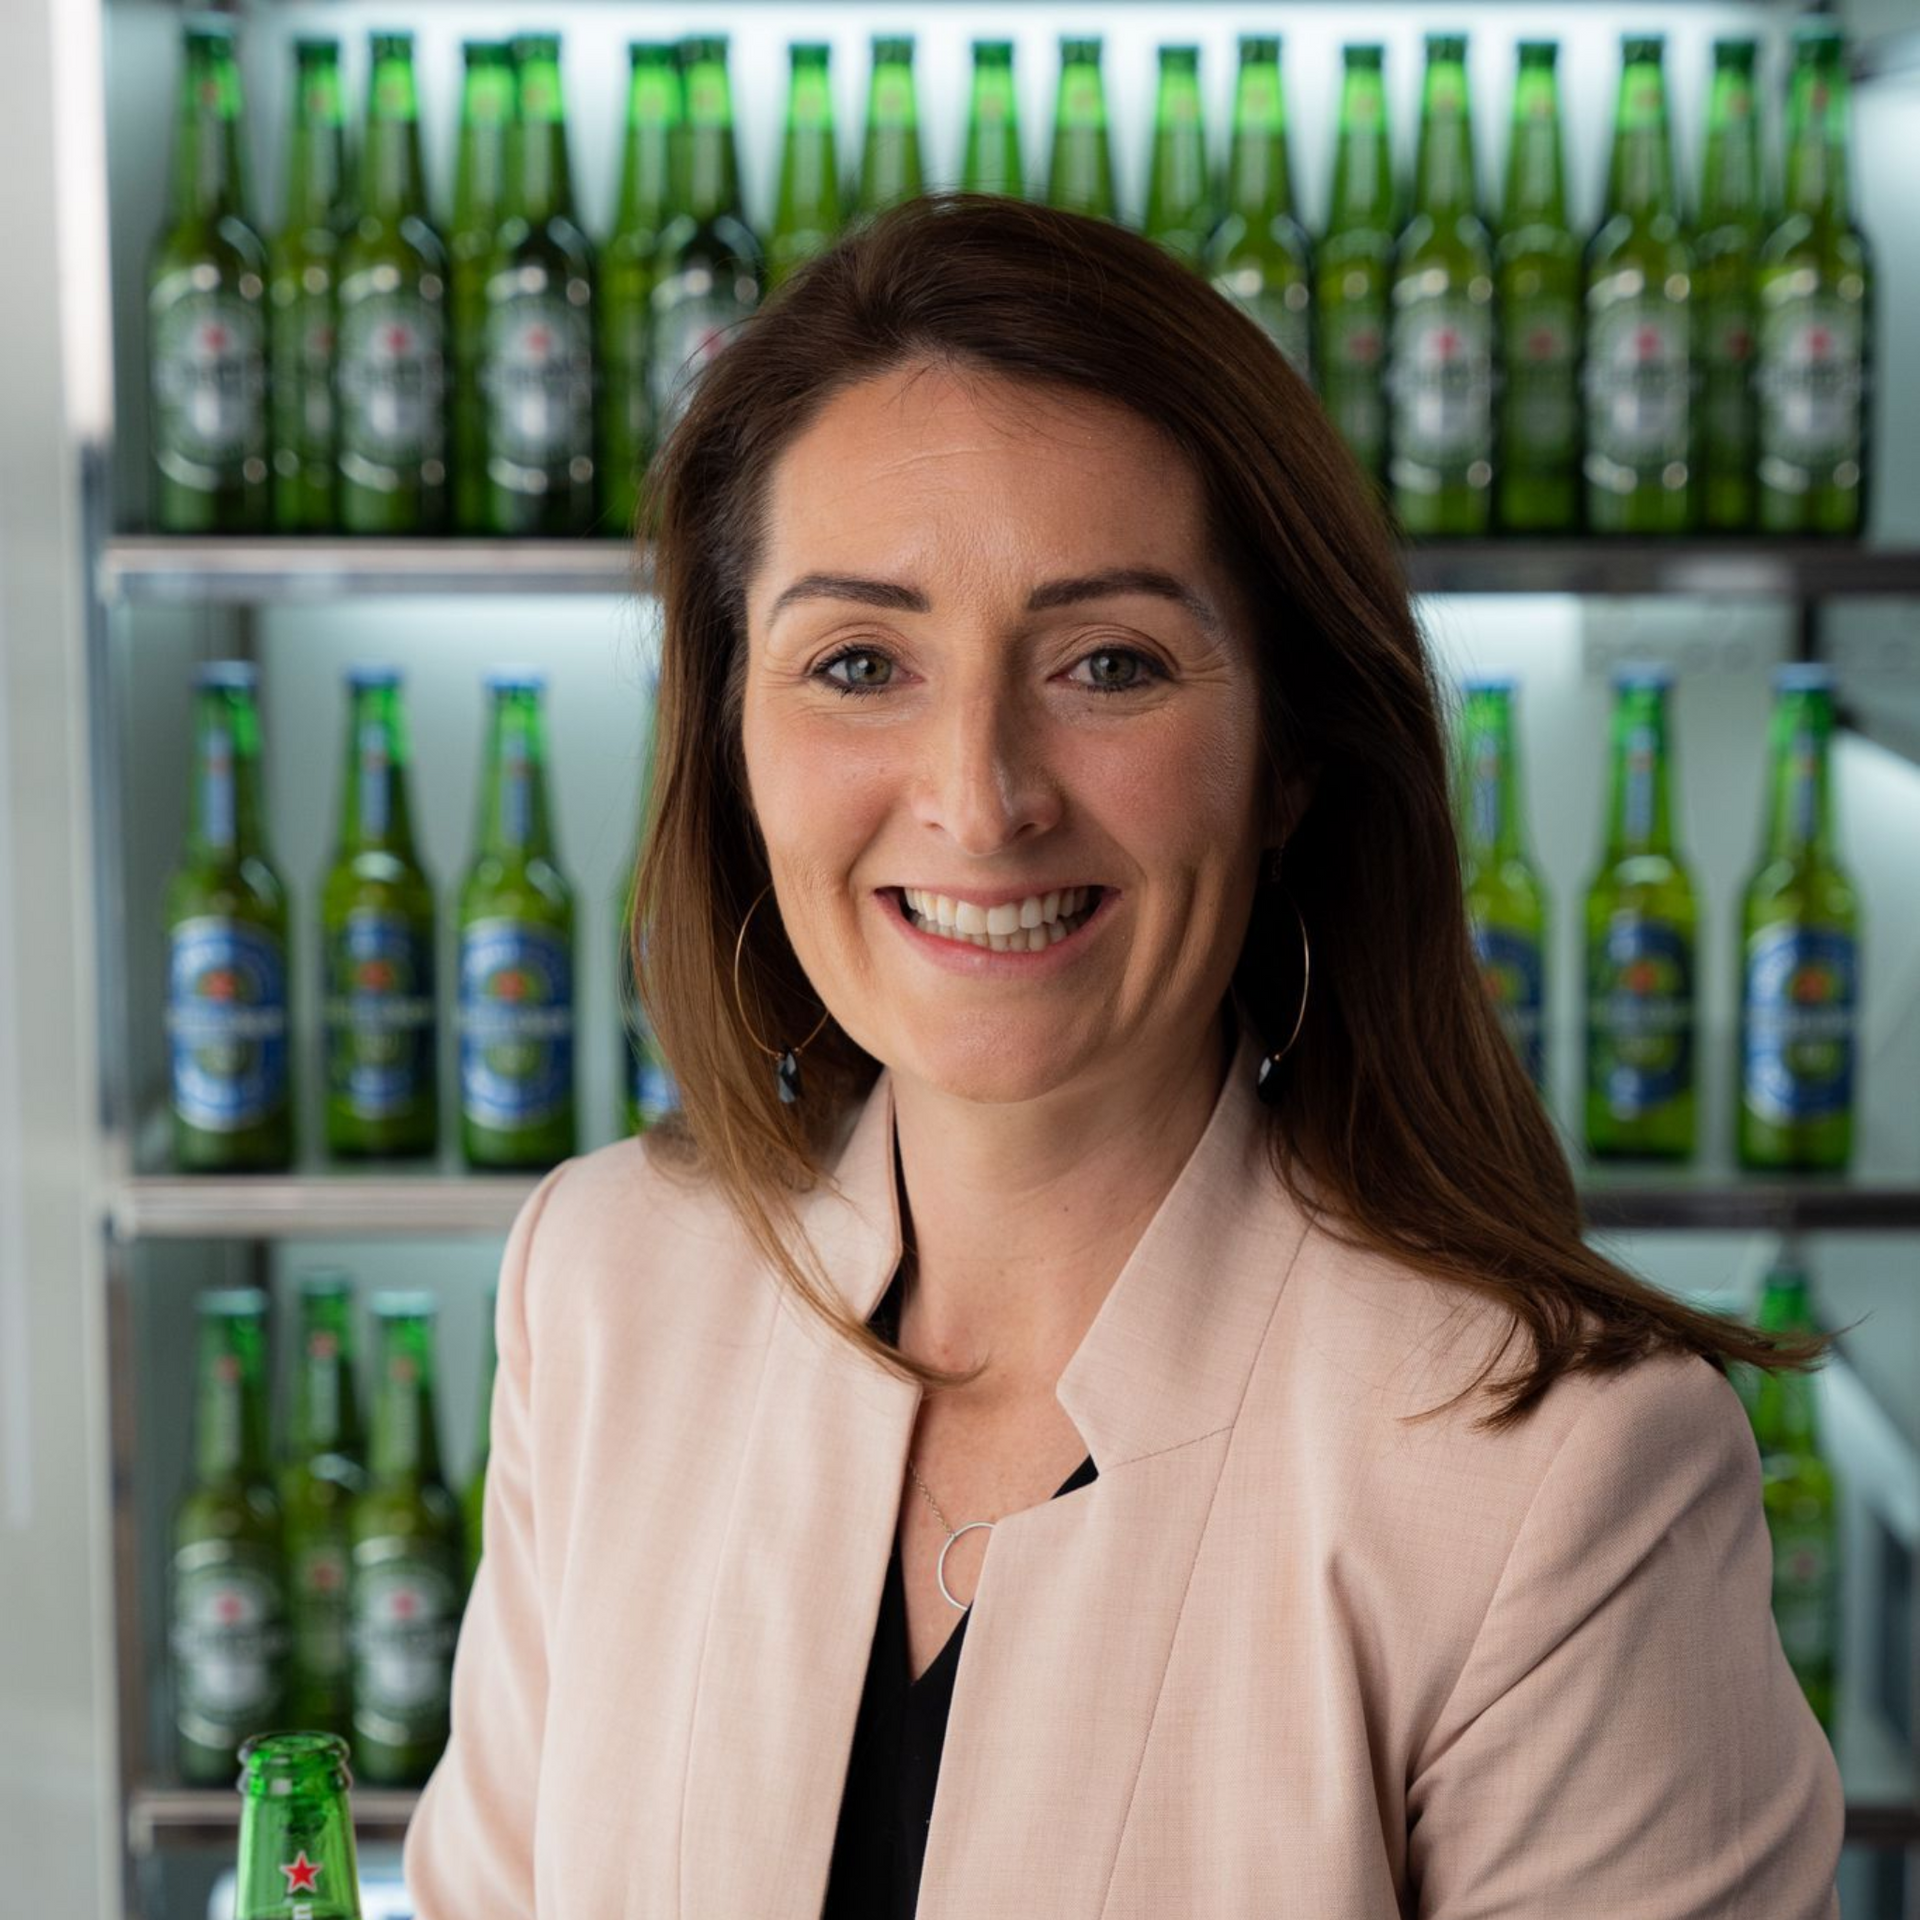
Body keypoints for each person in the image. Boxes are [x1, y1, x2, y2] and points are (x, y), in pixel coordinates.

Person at [403, 194, 1843, 1918]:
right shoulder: (603, 1283)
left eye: (1110, 663)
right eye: (858, 663)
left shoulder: (1563, 1475)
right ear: (728, 744)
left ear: (1291, 755)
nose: (982, 796)